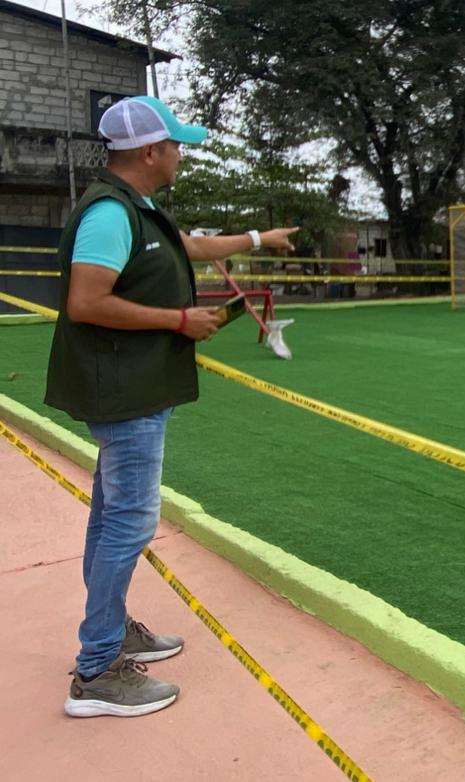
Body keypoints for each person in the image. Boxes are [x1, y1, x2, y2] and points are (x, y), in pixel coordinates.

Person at [44, 95, 298, 718]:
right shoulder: (111, 213)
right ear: (151, 151)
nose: (181, 154)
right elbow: (86, 302)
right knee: (129, 521)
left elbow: (185, 247)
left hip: (135, 385)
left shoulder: (137, 208)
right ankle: (97, 669)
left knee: (110, 517)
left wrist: (258, 238)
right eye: (176, 145)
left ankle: (110, 632)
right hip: (125, 390)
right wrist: (178, 320)